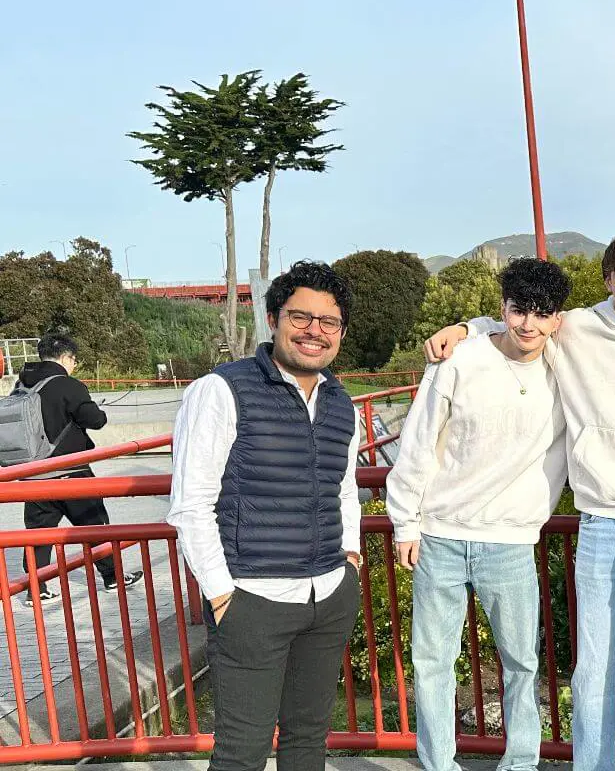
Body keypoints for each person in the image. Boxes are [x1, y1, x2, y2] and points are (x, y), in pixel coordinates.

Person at [423, 232, 615, 771]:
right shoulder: (576, 327)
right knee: (594, 667)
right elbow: (517, 322)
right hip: (598, 524)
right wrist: (463, 327)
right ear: (608, 279)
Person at [166, 261, 364, 771]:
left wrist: (351, 561)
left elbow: (344, 488)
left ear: (340, 332)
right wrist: (220, 591)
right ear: (273, 318)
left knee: (307, 742)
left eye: (329, 322)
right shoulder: (221, 390)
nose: (314, 332)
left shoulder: (343, 404)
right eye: (301, 317)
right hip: (253, 599)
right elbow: (192, 502)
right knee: (242, 751)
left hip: (328, 595)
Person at [386, 258, 571, 771]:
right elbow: (418, 442)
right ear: (502, 309)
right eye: (517, 311)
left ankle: (520, 764)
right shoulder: (459, 360)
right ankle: (438, 765)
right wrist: (406, 521)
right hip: (440, 537)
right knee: (431, 665)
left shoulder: (566, 362)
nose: (529, 325)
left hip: (511, 542)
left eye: (541, 313)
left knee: (521, 665)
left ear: (558, 319)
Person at [16, 334, 141, 605]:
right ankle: (112, 577)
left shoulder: (22, 385)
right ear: (65, 358)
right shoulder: (68, 385)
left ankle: (35, 588)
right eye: (74, 360)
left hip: (34, 475)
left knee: (38, 533)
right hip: (71, 471)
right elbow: (94, 420)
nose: (74, 365)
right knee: (94, 525)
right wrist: (98, 411)